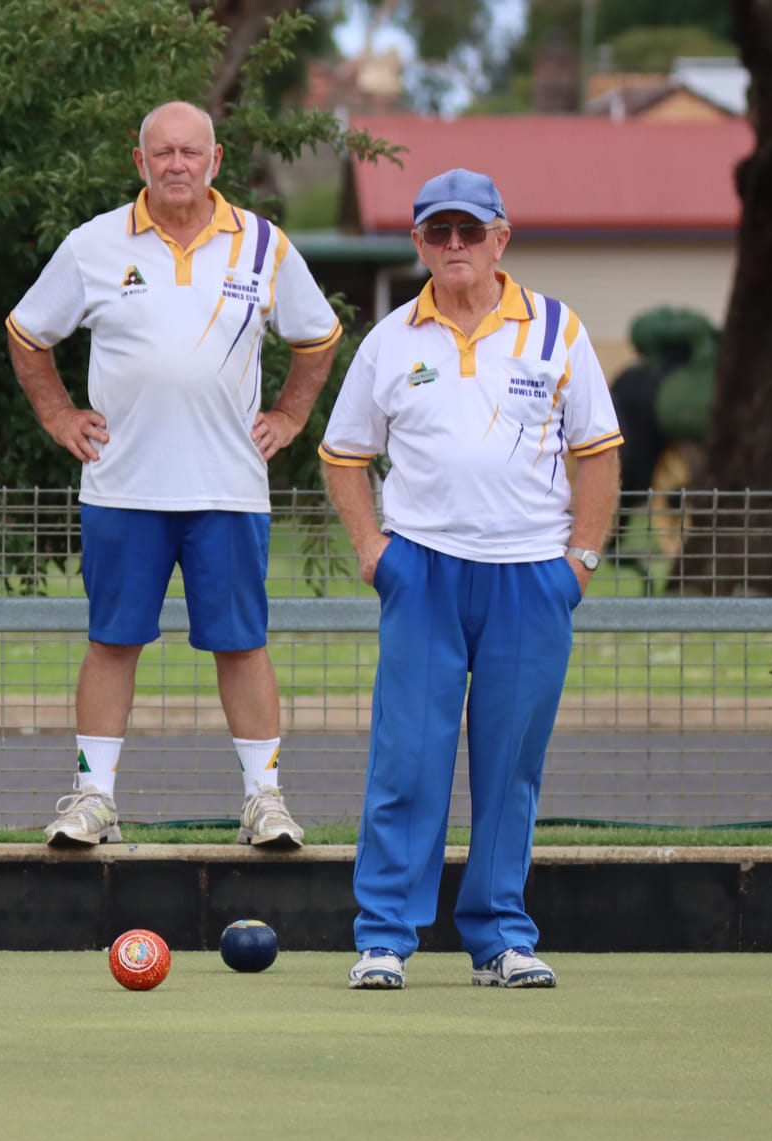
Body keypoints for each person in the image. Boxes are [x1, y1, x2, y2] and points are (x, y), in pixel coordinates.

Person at [6, 101, 343, 854]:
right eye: (163, 152)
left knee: (242, 644)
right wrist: (61, 415)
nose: (177, 164)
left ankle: (264, 800)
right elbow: (28, 335)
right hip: (123, 486)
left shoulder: (264, 246)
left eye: (192, 151)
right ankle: (95, 799)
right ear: (140, 161)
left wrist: (289, 416)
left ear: (216, 161)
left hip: (228, 489)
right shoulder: (93, 244)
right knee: (111, 641)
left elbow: (318, 338)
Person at [320, 168, 621, 991]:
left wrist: (579, 563)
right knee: (408, 760)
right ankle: (385, 934)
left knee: (510, 763)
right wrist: (375, 553)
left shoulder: (559, 330)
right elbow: (345, 455)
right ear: (418, 242)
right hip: (423, 571)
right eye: (438, 232)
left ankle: (500, 938)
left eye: (469, 231)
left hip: (533, 577)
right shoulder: (390, 340)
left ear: (501, 237)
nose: (455, 246)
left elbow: (598, 454)